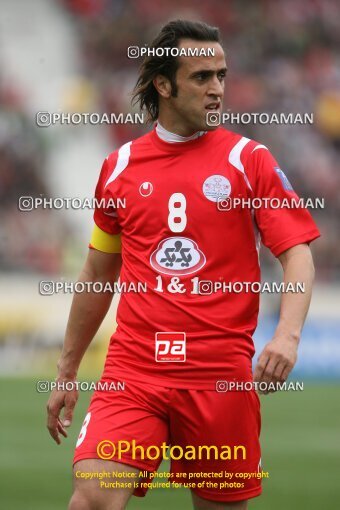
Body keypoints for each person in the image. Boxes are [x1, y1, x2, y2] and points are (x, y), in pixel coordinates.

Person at [46, 19, 320, 510]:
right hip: (134, 372)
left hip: (219, 376)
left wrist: (287, 335)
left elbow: (297, 251)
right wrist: (67, 372)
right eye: (202, 77)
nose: (217, 89)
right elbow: (97, 275)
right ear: (164, 85)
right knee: (90, 500)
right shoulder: (120, 167)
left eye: (222, 75)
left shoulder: (248, 160)